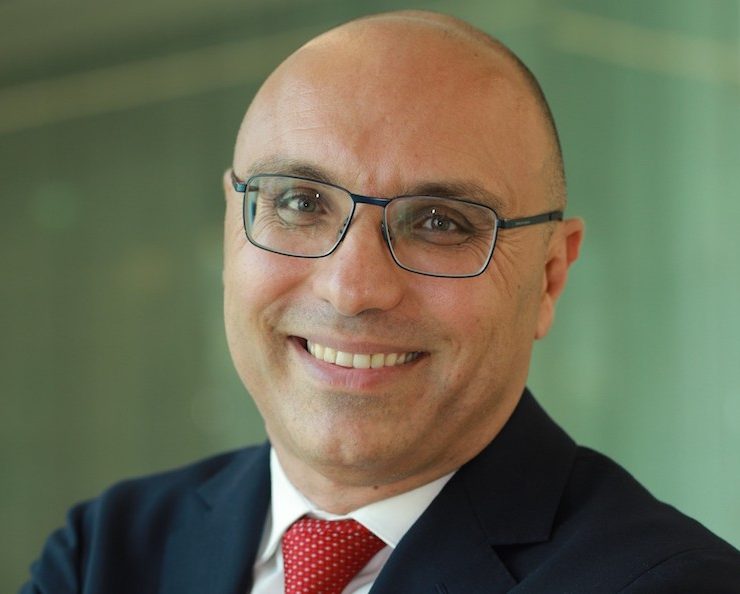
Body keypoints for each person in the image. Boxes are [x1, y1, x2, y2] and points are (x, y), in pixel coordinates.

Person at [21, 10, 740, 594]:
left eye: (440, 222)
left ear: (549, 277)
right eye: (300, 203)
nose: (351, 288)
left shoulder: (669, 584)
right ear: (231, 226)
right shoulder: (107, 552)